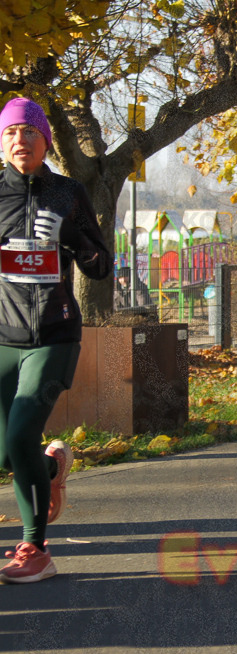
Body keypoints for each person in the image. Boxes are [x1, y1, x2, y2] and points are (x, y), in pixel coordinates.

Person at [0, 97, 111, 582]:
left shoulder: (68, 193)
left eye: (28, 132)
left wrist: (72, 237)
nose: (19, 141)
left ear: (45, 138)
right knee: (8, 452)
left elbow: (102, 264)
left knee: (21, 433)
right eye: (9, 133)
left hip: (54, 335)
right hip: (2, 337)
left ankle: (35, 548)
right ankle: (48, 469)